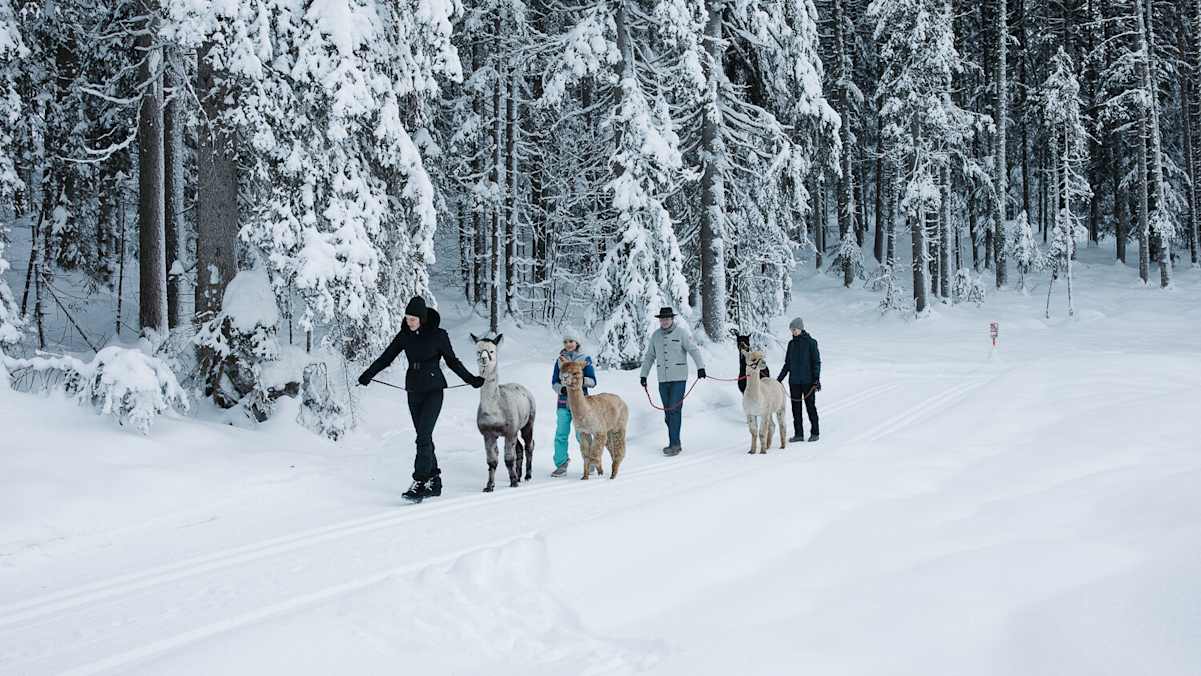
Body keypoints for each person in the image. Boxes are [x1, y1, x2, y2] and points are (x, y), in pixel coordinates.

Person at [358, 296, 485, 502]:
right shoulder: (404, 336)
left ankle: (419, 481)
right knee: (423, 436)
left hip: (434, 391)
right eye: (407, 318)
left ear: (422, 318)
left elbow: (452, 361)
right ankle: (434, 481)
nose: (409, 322)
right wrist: (368, 374)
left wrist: (471, 380)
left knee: (423, 436)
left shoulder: (438, 335)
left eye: (413, 319)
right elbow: (386, 358)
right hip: (414, 390)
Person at [640, 307, 706, 456]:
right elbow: (650, 356)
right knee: (668, 413)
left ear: (672, 319)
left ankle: (674, 444)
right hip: (662, 380)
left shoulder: (681, 333)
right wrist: (643, 375)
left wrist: (700, 367)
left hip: (679, 378)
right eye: (662, 319)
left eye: (667, 319)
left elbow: (693, 350)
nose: (664, 321)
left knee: (674, 410)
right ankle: (675, 440)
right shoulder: (655, 336)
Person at [549, 336, 597, 477]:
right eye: (565, 342)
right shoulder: (560, 361)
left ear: (577, 342)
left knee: (582, 434)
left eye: (571, 341)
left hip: (580, 404)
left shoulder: (585, 359)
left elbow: (593, 381)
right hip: (563, 403)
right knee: (561, 434)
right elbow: (554, 382)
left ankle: (591, 460)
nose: (568, 344)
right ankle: (561, 464)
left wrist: (578, 381)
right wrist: (561, 389)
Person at [777, 317, 821, 443]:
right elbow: (787, 364)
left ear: (800, 328)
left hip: (808, 382)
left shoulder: (811, 343)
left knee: (810, 407)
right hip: (794, 382)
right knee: (796, 409)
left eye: (794, 329)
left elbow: (816, 362)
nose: (793, 332)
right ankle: (799, 434)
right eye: (791, 330)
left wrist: (816, 379)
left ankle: (815, 432)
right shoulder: (791, 345)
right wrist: (779, 379)